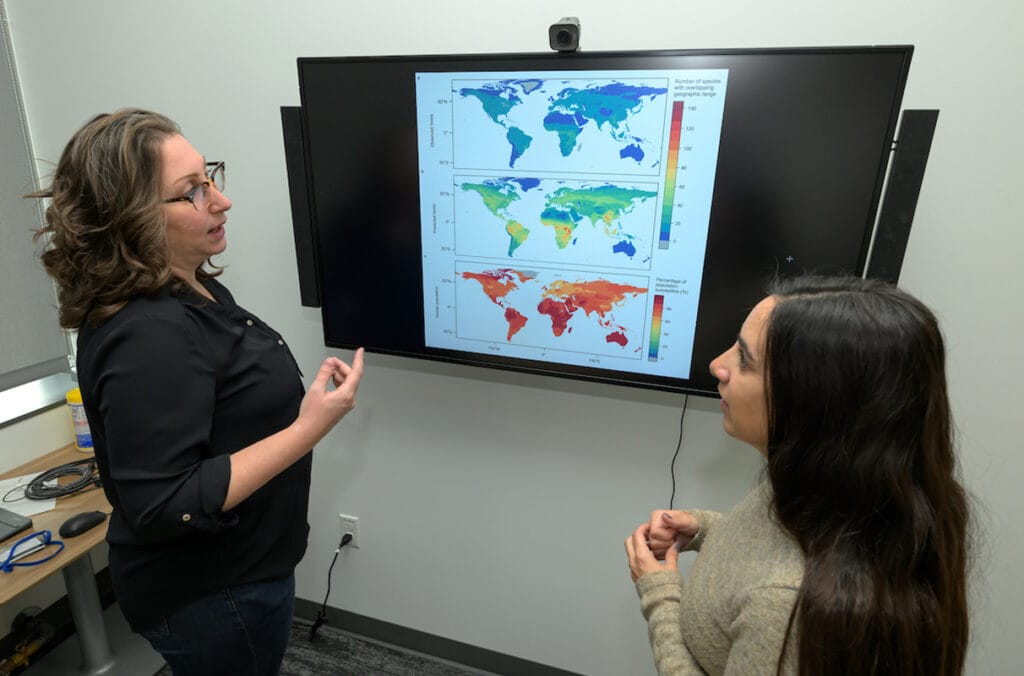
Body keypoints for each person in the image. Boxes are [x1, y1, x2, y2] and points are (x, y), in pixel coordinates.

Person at [32, 108, 365, 675]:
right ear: (130, 217)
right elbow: (165, 504)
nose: (221, 201)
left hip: (243, 571)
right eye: (192, 192)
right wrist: (310, 427)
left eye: (210, 178)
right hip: (215, 595)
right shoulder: (148, 333)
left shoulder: (190, 285)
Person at [624, 275, 970, 675]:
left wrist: (661, 597)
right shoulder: (847, 490)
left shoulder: (784, 603)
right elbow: (775, 543)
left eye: (744, 360)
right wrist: (703, 529)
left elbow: (776, 580)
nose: (717, 365)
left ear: (811, 398)